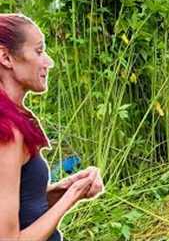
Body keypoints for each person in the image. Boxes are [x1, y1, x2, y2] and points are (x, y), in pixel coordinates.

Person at [0, 14, 104, 241]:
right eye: (39, 51)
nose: (49, 62)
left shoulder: (11, 118)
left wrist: (63, 190)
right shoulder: (6, 132)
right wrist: (72, 197)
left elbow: (21, 208)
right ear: (6, 58)